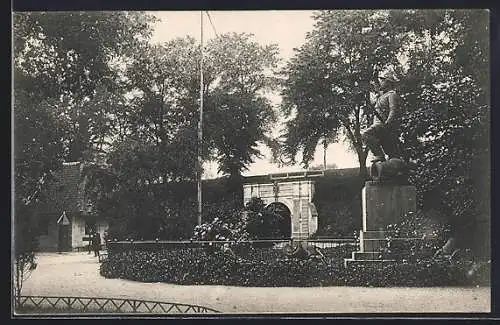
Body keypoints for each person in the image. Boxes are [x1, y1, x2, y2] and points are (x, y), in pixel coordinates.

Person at [362, 70, 403, 163]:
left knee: (366, 135)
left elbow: (393, 110)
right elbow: (376, 86)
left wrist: (388, 122)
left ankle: (379, 155)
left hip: (383, 125)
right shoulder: (382, 95)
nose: (381, 82)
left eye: (383, 81)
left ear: (388, 83)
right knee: (391, 153)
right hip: (379, 125)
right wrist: (374, 75)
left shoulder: (391, 94)